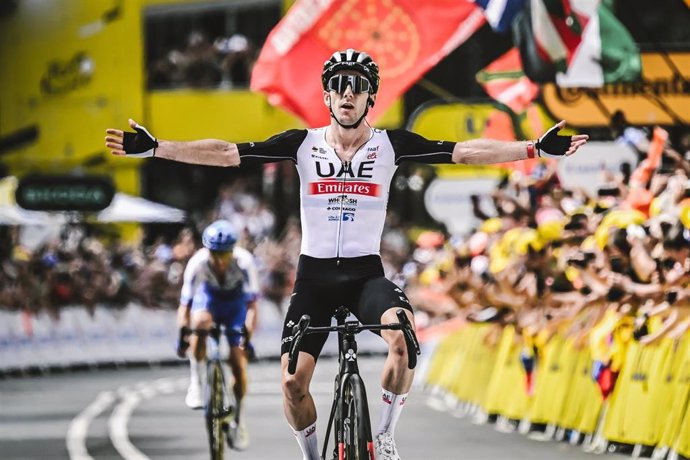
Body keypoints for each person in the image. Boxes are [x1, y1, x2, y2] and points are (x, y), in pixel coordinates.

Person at [106, 48, 588, 460]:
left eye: (357, 87)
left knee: (402, 335)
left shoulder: (391, 146)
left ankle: (384, 435)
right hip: (313, 279)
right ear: (328, 96)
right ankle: (312, 453)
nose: (348, 94)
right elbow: (226, 152)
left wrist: (533, 148)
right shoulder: (302, 145)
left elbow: (464, 151)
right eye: (339, 86)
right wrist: (156, 149)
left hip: (365, 277)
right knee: (293, 383)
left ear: (370, 98)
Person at [175, 219, 259, 451]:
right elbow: (185, 305)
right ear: (207, 250)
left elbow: (253, 306)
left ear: (233, 251)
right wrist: (183, 334)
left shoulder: (245, 261)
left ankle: (239, 420)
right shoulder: (197, 263)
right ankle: (197, 380)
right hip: (209, 301)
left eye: (225, 255)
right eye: (215, 254)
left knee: (238, 365)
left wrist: (247, 336)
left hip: (235, 306)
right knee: (200, 323)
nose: (220, 260)